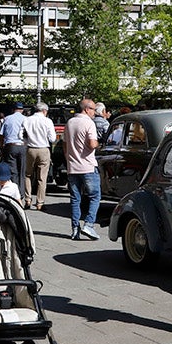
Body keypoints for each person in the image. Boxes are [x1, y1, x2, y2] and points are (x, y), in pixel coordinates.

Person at [64, 98, 101, 240]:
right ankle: (89, 225)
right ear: (86, 109)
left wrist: (69, 159)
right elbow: (92, 144)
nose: (95, 112)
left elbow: (65, 145)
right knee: (95, 196)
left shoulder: (70, 122)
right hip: (88, 166)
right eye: (93, 109)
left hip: (73, 167)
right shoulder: (89, 123)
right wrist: (98, 143)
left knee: (75, 199)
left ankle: (75, 229)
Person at [21, 101, 56, 210]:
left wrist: (27, 142)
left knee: (27, 175)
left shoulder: (27, 120)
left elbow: (20, 135)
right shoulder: (47, 121)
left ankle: (27, 199)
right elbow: (52, 138)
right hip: (44, 149)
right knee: (42, 177)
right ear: (44, 111)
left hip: (31, 149)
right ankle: (40, 202)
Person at [0, 102, 27, 191]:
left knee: (13, 171)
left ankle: (15, 192)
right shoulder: (26, 119)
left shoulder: (7, 119)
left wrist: (1, 147)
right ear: (22, 110)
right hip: (23, 146)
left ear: (13, 109)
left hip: (10, 146)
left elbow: (1, 135)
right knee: (22, 171)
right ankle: (21, 192)